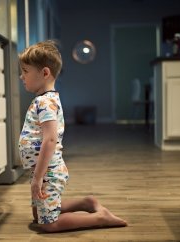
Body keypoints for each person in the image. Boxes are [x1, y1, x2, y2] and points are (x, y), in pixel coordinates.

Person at [18, 40, 127, 233]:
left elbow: (50, 140)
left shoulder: (45, 102)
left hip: (48, 172)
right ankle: (86, 202)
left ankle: (100, 218)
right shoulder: (45, 99)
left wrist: (38, 177)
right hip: (42, 170)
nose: (21, 76)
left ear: (44, 73)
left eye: (25, 71)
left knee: (48, 224)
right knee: (38, 215)